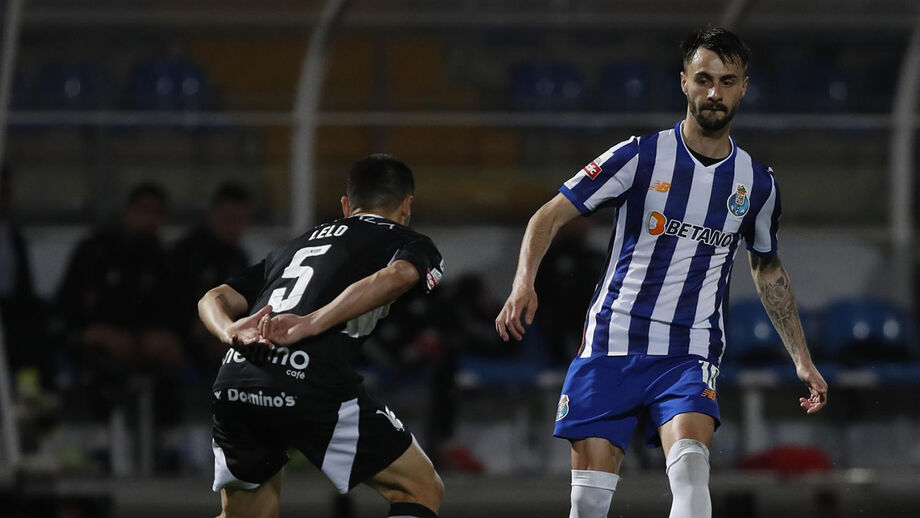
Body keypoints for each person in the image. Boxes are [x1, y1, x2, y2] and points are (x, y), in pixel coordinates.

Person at [495, 27, 828, 518]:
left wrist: (801, 357)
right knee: (588, 502)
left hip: (689, 352)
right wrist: (524, 281)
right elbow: (547, 216)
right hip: (612, 341)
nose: (715, 93)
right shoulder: (638, 156)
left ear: (744, 88)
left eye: (727, 81)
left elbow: (767, 268)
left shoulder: (757, 184)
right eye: (704, 79)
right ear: (684, 82)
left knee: (692, 474)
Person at [198, 154, 445, 518]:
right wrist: (312, 322)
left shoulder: (292, 247)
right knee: (419, 487)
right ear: (407, 206)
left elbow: (213, 297)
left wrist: (229, 329)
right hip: (308, 376)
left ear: (346, 205)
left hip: (237, 375)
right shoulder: (408, 241)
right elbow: (399, 276)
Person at [170, 182, 252, 381]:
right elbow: (173, 303)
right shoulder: (187, 254)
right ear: (212, 214)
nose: (234, 227)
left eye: (241, 220)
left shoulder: (238, 257)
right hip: (187, 335)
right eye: (229, 218)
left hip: (227, 333)